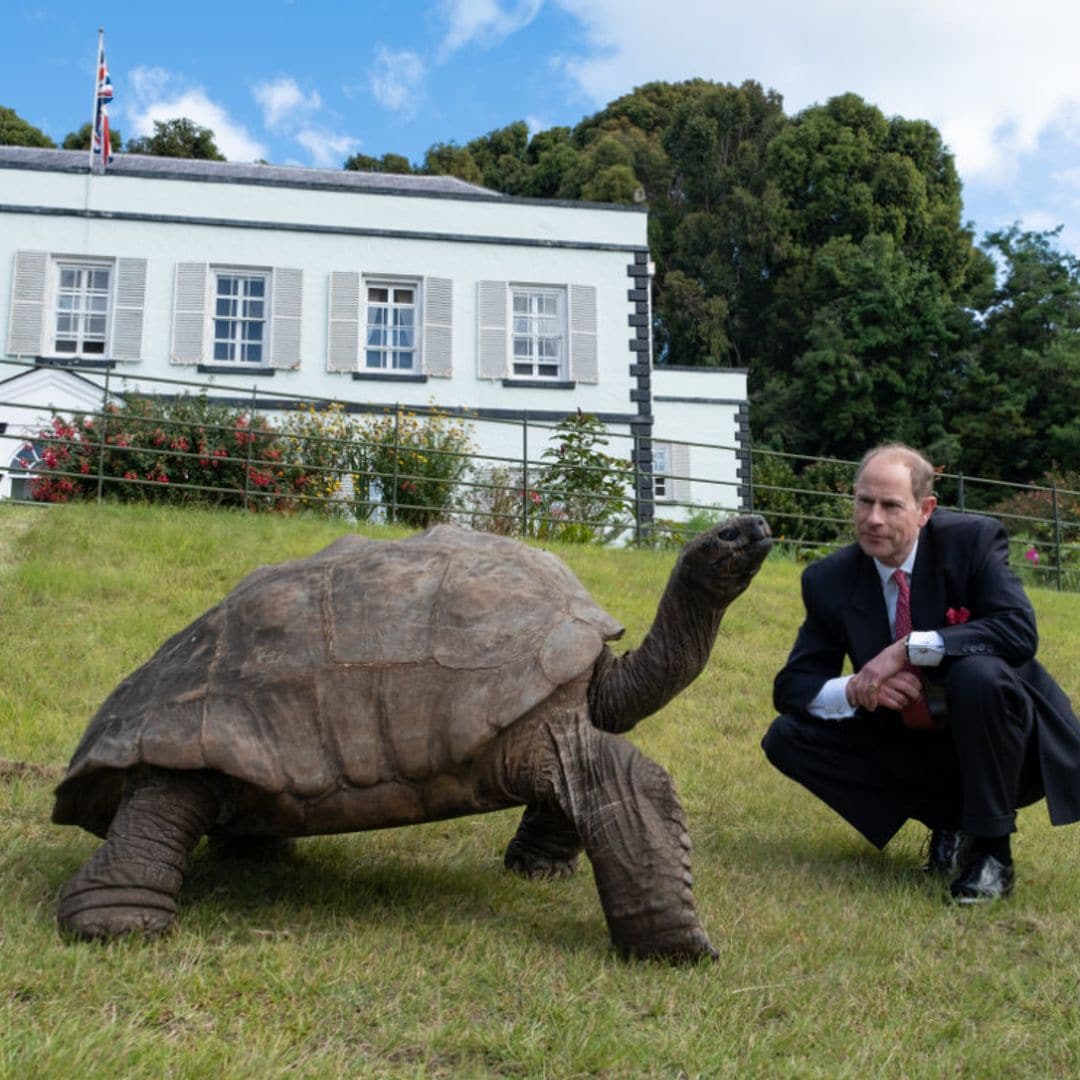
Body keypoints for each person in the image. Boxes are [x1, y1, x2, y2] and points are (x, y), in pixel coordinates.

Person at [762, 443, 1080, 903]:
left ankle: (992, 851)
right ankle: (945, 820)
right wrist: (856, 688)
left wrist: (909, 649)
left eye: (891, 506)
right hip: (914, 739)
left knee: (977, 676)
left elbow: (1017, 631)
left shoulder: (972, 542)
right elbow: (792, 687)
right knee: (786, 736)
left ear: (925, 510)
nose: (873, 518)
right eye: (863, 501)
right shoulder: (828, 580)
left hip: (1010, 743)